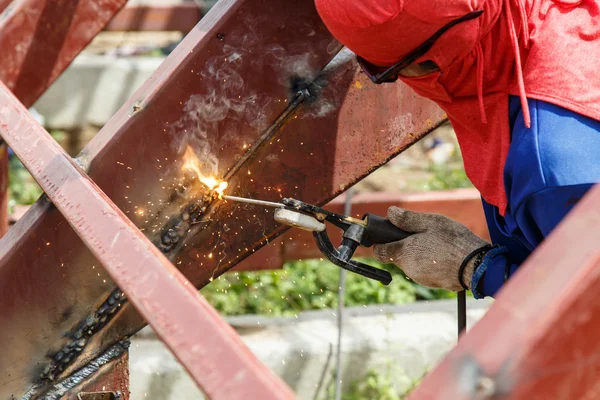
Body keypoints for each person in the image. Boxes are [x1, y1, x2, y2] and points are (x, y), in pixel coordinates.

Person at [314, 0, 600, 298]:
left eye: (388, 72)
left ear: (435, 58)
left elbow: (588, 309)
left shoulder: (552, 174)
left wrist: (475, 267)